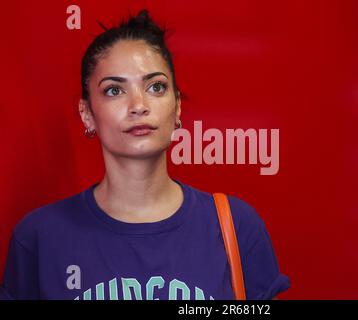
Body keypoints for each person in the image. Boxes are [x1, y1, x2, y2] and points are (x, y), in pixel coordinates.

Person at [0, 9, 290, 300]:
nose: (138, 105)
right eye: (114, 90)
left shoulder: (236, 226)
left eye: (155, 87)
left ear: (176, 106)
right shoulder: (39, 238)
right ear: (87, 113)